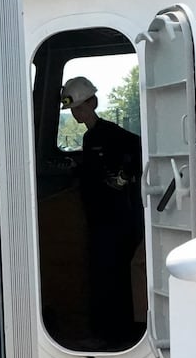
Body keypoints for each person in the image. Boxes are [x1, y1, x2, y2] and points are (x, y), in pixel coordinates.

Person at [60, 76, 144, 341]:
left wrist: (123, 176)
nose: (77, 113)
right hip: (99, 219)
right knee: (102, 273)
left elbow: (139, 148)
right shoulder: (89, 138)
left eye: (81, 107)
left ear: (93, 103)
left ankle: (118, 333)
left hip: (116, 220)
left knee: (114, 275)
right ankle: (107, 330)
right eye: (74, 109)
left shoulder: (109, 133)